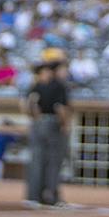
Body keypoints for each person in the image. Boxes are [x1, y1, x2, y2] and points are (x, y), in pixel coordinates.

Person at [25, 59, 70, 207]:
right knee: (53, 161)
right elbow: (60, 108)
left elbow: (27, 104)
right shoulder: (58, 86)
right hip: (52, 124)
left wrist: (36, 117)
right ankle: (52, 195)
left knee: (36, 161)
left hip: (37, 124)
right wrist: (65, 125)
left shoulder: (36, 85)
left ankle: (33, 196)